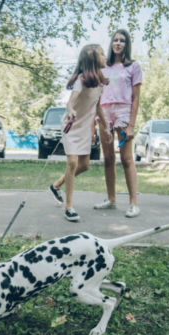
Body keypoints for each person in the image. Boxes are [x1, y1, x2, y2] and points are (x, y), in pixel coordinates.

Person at [49, 44, 112, 222]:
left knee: (84, 166)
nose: (105, 56)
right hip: (71, 125)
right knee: (72, 163)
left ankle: (55, 186)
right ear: (92, 60)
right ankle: (69, 207)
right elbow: (71, 102)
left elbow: (97, 107)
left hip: (85, 127)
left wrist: (105, 127)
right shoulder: (81, 80)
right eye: (101, 54)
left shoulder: (100, 84)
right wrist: (70, 110)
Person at [93, 28, 142, 218]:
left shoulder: (133, 67)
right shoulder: (103, 67)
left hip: (123, 111)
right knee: (108, 158)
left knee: (127, 159)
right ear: (111, 43)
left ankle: (133, 203)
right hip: (105, 111)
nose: (118, 43)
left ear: (126, 44)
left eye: (122, 40)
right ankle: (111, 199)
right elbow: (96, 94)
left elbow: (136, 98)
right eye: (115, 40)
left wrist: (131, 124)